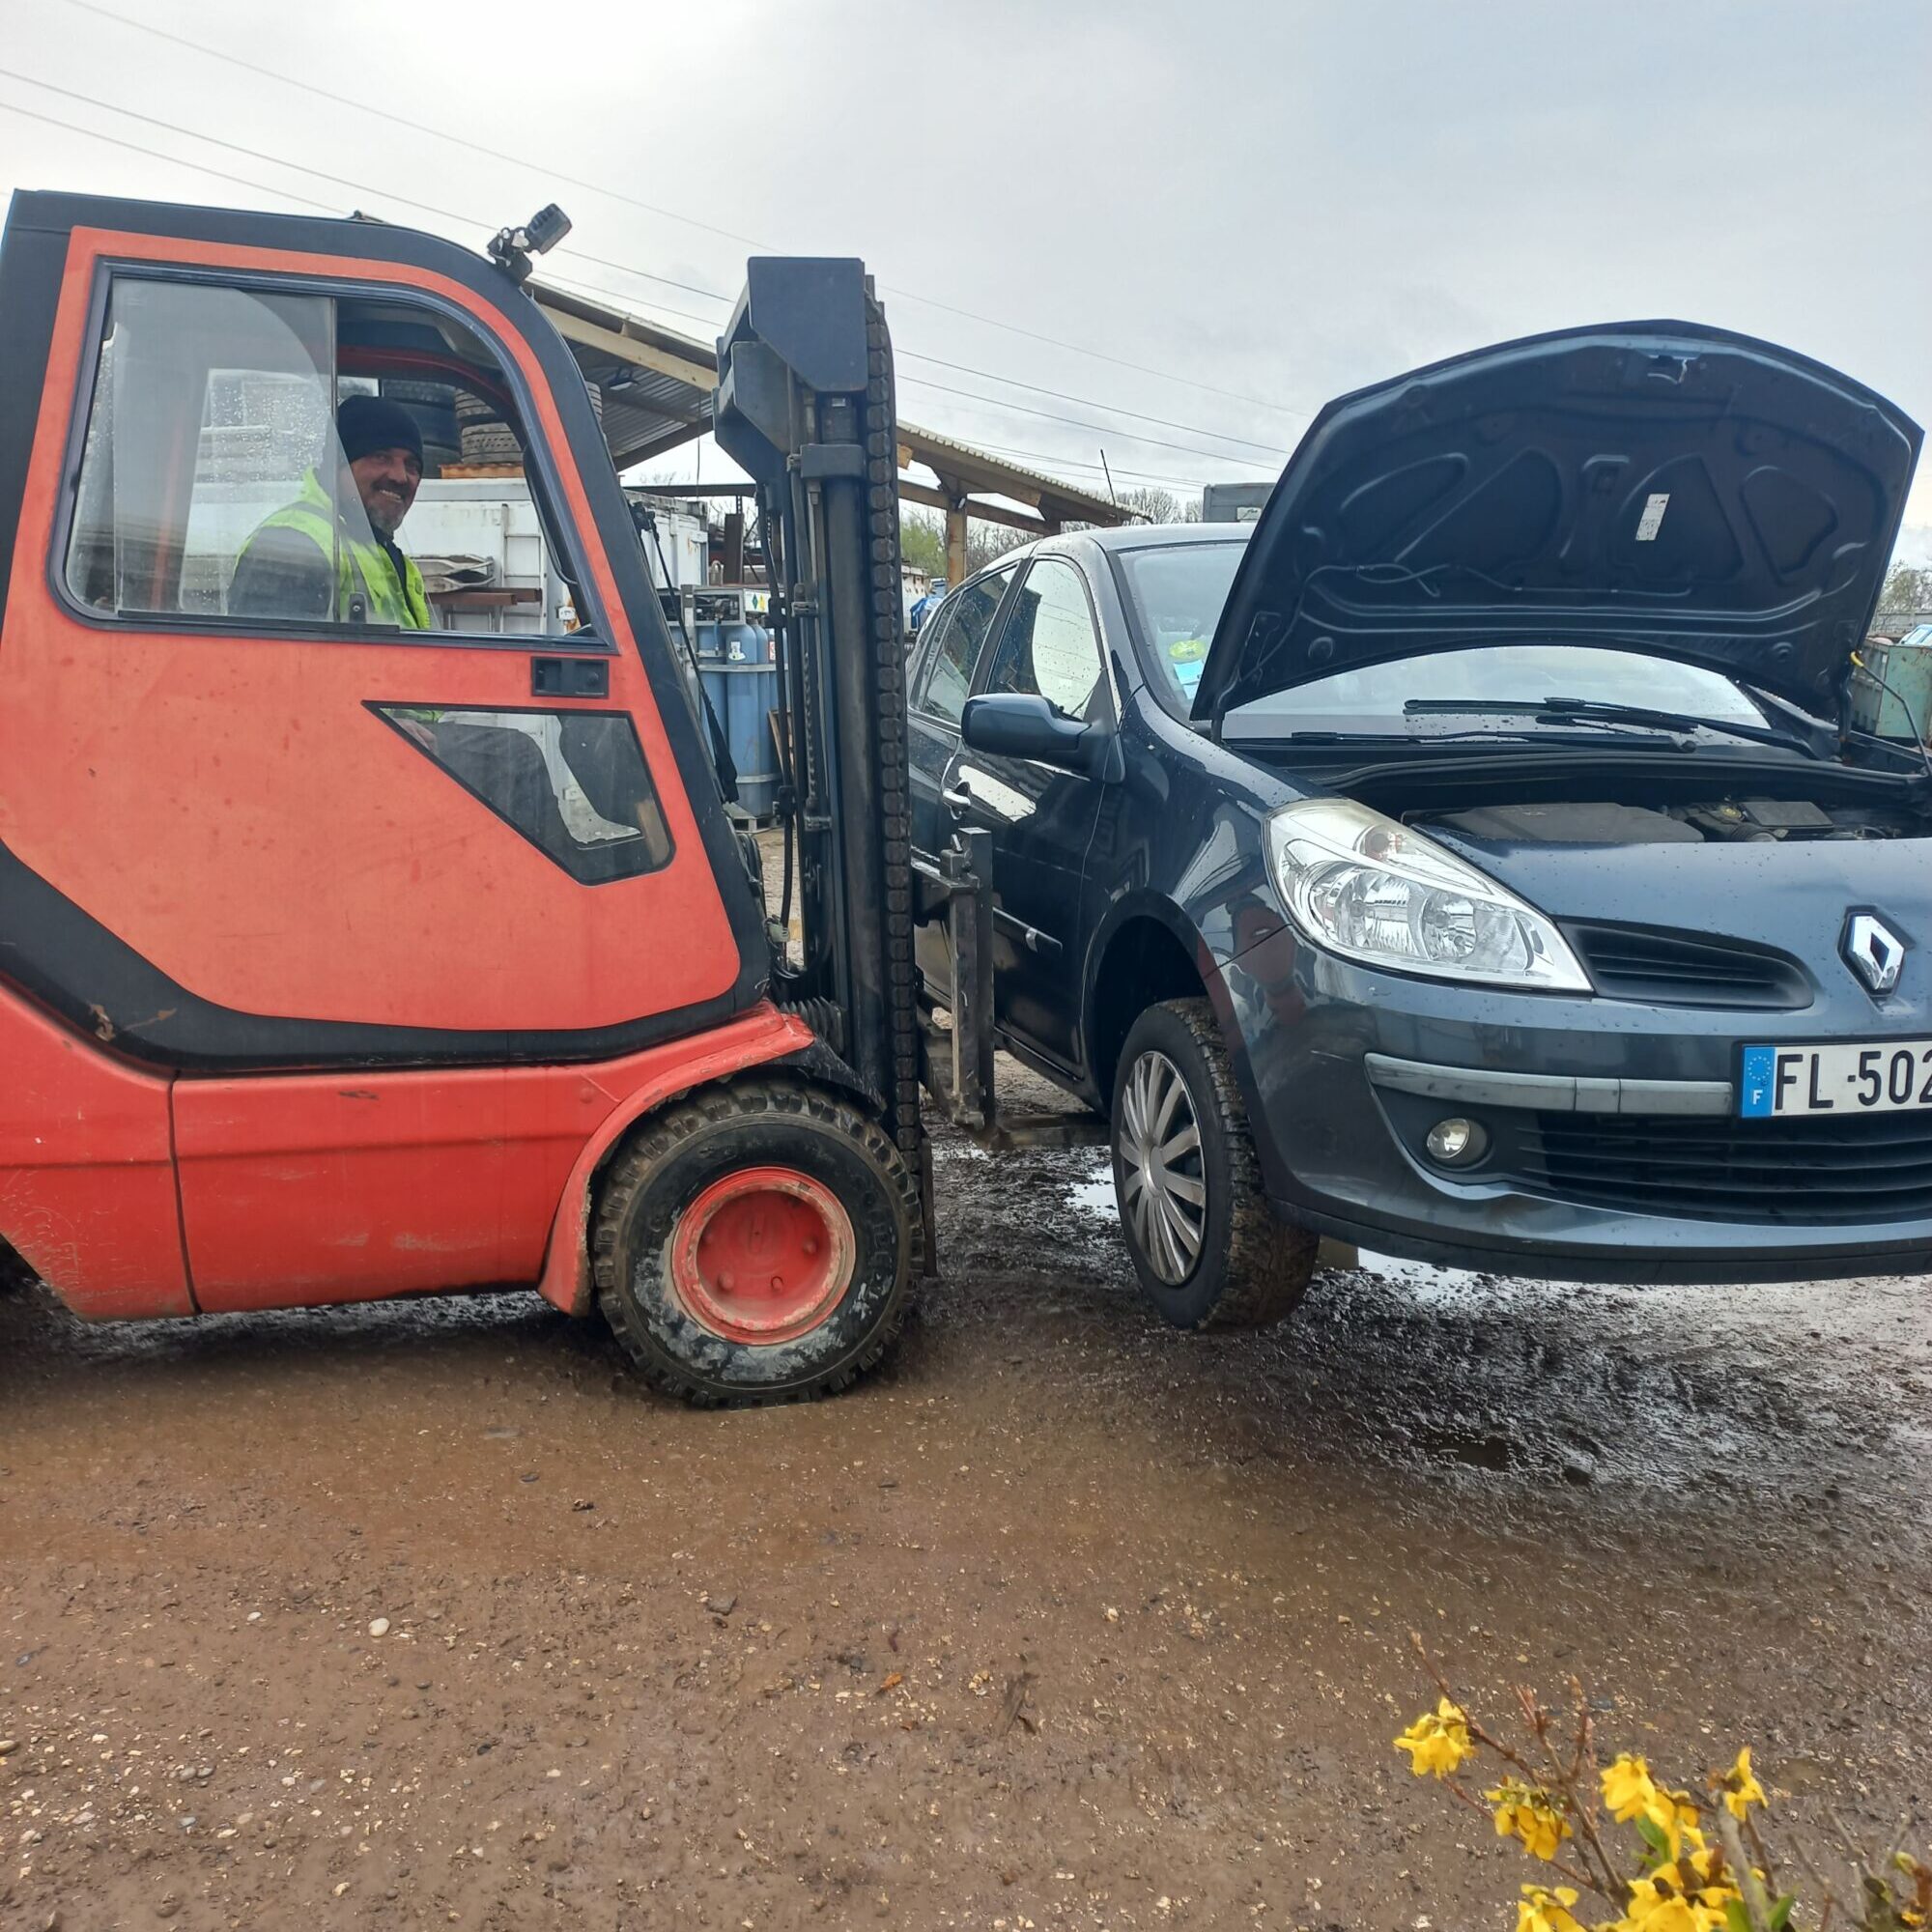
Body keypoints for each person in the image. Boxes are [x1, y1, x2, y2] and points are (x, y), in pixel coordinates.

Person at [229, 394, 432, 628]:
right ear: (337, 465)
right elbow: (273, 660)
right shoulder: (293, 545)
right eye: (380, 457)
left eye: (412, 465)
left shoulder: (379, 550)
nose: (400, 476)